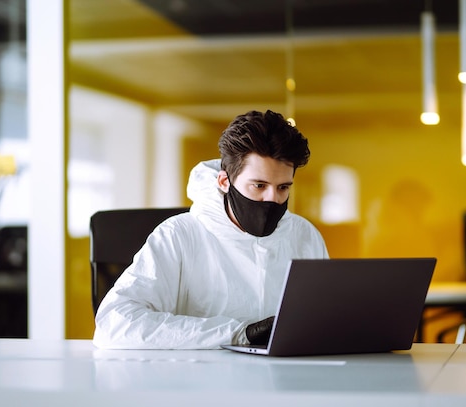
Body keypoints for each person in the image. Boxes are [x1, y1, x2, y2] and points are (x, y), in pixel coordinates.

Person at [93, 110, 329, 349]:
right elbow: (114, 325)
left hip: (290, 381)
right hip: (199, 380)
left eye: (283, 188)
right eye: (259, 185)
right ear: (224, 182)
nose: (273, 199)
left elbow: (323, 320)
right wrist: (238, 334)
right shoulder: (179, 235)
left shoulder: (304, 236)